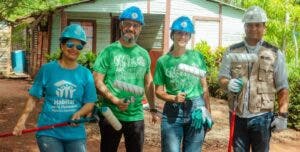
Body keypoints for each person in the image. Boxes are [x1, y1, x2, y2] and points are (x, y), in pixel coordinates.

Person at [13, 24, 97, 152]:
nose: (74, 49)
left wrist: (80, 113)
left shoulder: (86, 74)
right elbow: (34, 97)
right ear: (62, 46)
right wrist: (21, 120)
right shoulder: (47, 70)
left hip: (75, 133)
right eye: (70, 45)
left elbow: (90, 103)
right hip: (49, 131)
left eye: (79, 46)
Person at [218, 6, 289, 152]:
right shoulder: (232, 51)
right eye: (249, 25)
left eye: (257, 24)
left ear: (264, 27)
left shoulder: (274, 53)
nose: (253, 28)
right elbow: (222, 79)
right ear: (245, 27)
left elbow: (282, 86)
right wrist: (228, 83)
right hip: (237, 115)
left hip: (262, 118)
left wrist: (283, 115)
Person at [93, 6, 158, 152]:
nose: (131, 28)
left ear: (140, 28)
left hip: (135, 116)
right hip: (111, 114)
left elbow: (148, 83)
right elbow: (97, 80)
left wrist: (153, 108)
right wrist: (114, 99)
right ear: (121, 25)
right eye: (127, 24)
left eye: (135, 25)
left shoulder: (143, 54)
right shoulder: (109, 51)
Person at [153, 16, 212, 152]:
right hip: (173, 112)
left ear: (190, 37)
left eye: (186, 34)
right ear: (172, 34)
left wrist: (208, 112)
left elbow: (204, 87)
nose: (183, 36)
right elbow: (158, 91)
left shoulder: (197, 57)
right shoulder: (163, 61)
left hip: (196, 110)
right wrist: (174, 98)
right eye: (179, 32)